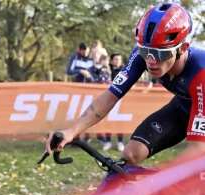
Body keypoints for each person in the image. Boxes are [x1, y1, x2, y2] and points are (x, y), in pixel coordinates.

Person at [46, 2, 205, 166]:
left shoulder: (201, 71)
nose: (151, 61)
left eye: (160, 53)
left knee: (182, 179)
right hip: (183, 108)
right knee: (130, 155)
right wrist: (71, 131)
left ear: (183, 48)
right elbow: (110, 96)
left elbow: (198, 149)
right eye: (145, 51)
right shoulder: (143, 56)